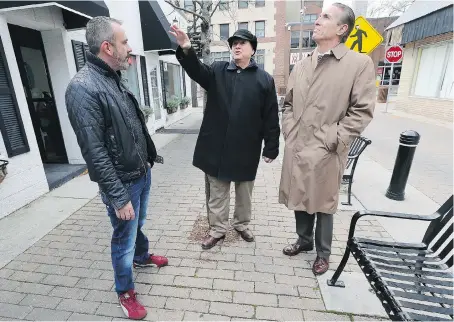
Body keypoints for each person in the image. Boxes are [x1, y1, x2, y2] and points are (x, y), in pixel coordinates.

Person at [65, 16, 168, 320]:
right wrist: (118, 196)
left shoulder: (112, 79)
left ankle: (141, 256)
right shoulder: (82, 88)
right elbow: (95, 153)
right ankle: (125, 291)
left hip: (140, 173)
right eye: (124, 42)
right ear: (108, 47)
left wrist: (147, 160)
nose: (130, 48)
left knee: (138, 225)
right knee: (123, 238)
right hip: (122, 184)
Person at [279, 3, 375, 276]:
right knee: (299, 194)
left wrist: (335, 138)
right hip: (298, 143)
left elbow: (362, 111)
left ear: (342, 29)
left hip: (327, 147)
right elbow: (288, 104)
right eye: (319, 16)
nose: (317, 21)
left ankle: (323, 253)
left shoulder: (358, 64)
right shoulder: (303, 64)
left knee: (323, 201)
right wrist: (290, 130)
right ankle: (304, 240)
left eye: (325, 17)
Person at [169, 25, 280, 249]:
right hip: (217, 146)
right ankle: (218, 229)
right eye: (233, 43)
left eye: (242, 43)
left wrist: (271, 147)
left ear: (253, 50)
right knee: (218, 192)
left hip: (247, 147)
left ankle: (241, 224)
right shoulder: (218, 70)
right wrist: (186, 47)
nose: (236, 46)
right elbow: (196, 70)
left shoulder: (264, 79)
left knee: (244, 192)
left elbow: (270, 116)